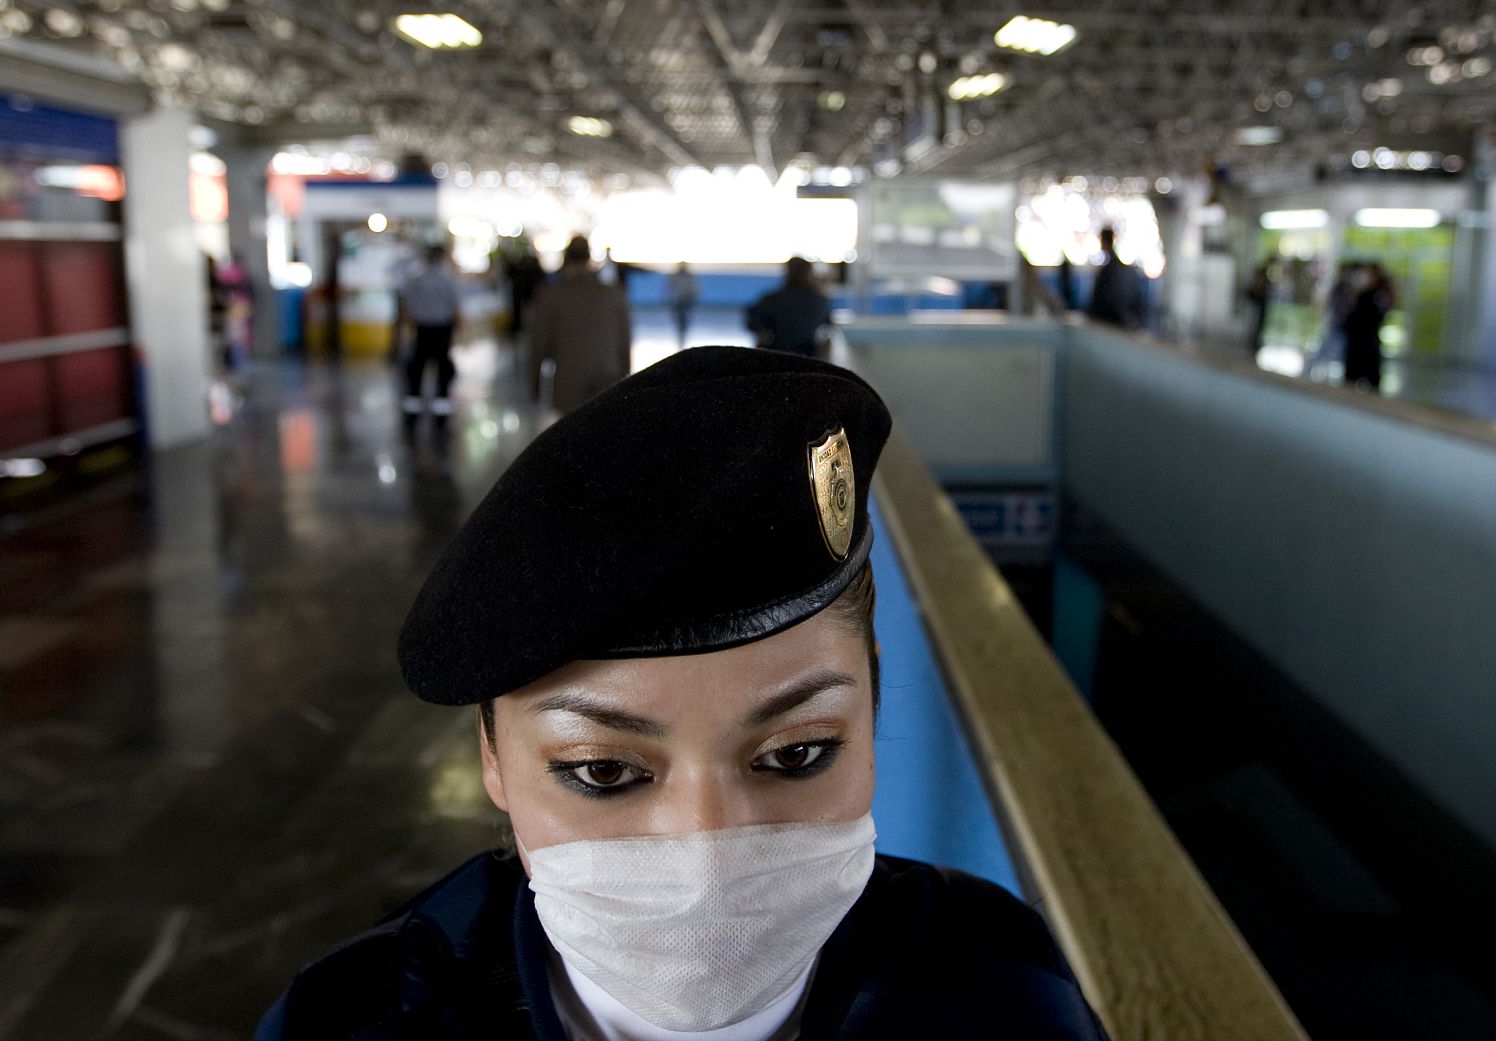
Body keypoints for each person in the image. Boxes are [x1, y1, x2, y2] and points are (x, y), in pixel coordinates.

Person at [254, 346, 1110, 1041]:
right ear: (493, 758)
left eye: (797, 753)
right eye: (601, 772)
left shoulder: (1006, 987)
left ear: (875, 706)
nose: (707, 853)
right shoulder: (351, 1021)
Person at [529, 235, 632, 413]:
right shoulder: (613, 294)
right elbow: (624, 340)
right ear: (588, 258)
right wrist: (626, 380)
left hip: (568, 382)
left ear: (566, 259)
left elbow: (539, 344)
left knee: (573, 435)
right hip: (607, 379)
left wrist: (535, 386)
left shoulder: (550, 295)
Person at [397, 244, 461, 419]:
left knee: (417, 363)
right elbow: (456, 308)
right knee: (442, 363)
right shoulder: (448, 281)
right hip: (442, 328)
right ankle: (441, 399)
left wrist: (404, 329)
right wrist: (459, 329)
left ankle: (414, 398)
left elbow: (406, 307)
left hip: (422, 328)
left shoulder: (415, 280)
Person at [746, 257, 833, 357]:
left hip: (776, 354)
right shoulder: (819, 300)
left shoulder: (773, 299)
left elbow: (752, 323)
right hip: (810, 356)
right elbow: (828, 324)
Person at [1342, 262, 1393, 391]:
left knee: (1370, 374)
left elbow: (1377, 316)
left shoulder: (1378, 294)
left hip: (1368, 342)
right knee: (1351, 375)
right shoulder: (1357, 293)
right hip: (1356, 342)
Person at [1084, 227, 1144, 330]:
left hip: (1110, 320)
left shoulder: (1111, 269)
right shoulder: (1116, 266)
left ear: (1104, 241)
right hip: (1118, 318)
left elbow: (1107, 297)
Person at [1245, 257, 1274, 357]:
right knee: (1258, 322)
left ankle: (1255, 341)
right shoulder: (1263, 273)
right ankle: (1254, 341)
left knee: (1259, 322)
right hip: (1260, 301)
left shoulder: (1264, 272)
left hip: (1261, 301)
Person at [667, 261, 699, 348]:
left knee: (683, 317)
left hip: (685, 300)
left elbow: (694, 288)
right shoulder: (676, 276)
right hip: (679, 300)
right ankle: (681, 330)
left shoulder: (689, 276)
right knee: (680, 317)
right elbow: (670, 287)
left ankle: (682, 331)